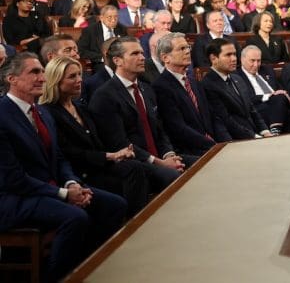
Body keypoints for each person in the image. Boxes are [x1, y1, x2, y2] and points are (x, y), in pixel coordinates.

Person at [0, 53, 127, 282]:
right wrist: (64, 194)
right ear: (12, 79)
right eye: (34, 72)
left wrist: (71, 183)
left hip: (49, 189)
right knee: (75, 217)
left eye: (42, 71)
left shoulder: (41, 112)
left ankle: (89, 268)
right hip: (13, 198)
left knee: (115, 205)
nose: (42, 77)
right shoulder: (2, 115)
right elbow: (12, 179)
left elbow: (58, 159)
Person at [41, 55, 151, 217]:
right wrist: (109, 156)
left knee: (135, 166)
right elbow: (68, 152)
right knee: (133, 172)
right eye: (72, 76)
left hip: (98, 166)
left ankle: (138, 219)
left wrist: (119, 154)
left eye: (80, 74)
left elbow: (99, 140)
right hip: (80, 172)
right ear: (55, 80)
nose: (79, 80)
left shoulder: (81, 108)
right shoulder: (48, 112)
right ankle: (132, 223)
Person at [88, 37, 195, 192]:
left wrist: (168, 155)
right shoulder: (104, 96)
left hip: (160, 157)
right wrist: (159, 162)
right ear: (117, 60)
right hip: (136, 162)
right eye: (135, 54)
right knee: (175, 177)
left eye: (142, 53)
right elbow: (120, 143)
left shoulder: (147, 89)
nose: (142, 57)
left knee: (203, 164)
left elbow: (159, 129)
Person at [151, 33, 229, 156]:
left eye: (188, 47)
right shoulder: (161, 87)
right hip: (190, 151)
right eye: (181, 49)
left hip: (212, 145)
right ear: (165, 58)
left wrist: (226, 142)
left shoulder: (194, 82)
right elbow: (178, 128)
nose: (187, 51)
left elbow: (213, 117)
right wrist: (213, 146)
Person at [201, 39, 273, 140]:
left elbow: (252, 109)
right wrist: (253, 136)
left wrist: (265, 131)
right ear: (213, 58)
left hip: (254, 134)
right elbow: (225, 120)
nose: (234, 58)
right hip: (236, 139)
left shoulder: (237, 78)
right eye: (228, 55)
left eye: (234, 54)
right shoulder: (208, 84)